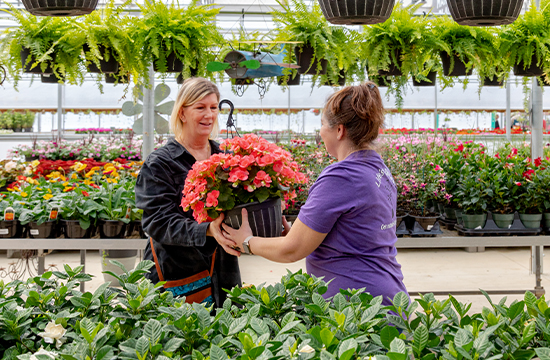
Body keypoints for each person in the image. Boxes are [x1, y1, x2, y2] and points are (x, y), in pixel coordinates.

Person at [222, 82, 408, 305]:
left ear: (339, 130)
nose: (319, 132)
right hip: (388, 295)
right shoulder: (378, 169)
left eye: (322, 125)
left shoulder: (342, 176)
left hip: (358, 307)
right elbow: (359, 234)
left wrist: (247, 241)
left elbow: (291, 250)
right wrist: (302, 233)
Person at [135, 78, 241, 307]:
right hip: (176, 271)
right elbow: (156, 221)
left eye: (213, 108)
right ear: (182, 113)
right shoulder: (160, 163)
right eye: (200, 108)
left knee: (226, 334)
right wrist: (207, 230)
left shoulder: (225, 159)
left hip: (223, 270)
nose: (209, 115)